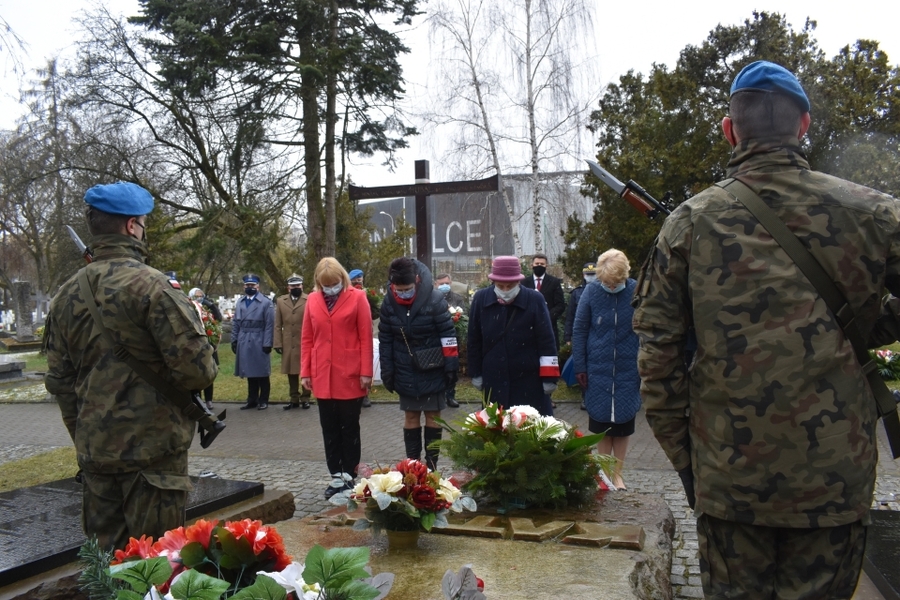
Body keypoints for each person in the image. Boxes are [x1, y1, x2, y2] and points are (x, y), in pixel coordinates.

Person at [632, 60, 900, 598]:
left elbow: (657, 362)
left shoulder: (689, 222)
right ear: (804, 126)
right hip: (835, 478)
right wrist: (863, 321)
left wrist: (692, 466)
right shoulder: (875, 214)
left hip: (730, 481)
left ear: (730, 130)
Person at [44, 181, 218, 550]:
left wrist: (86, 434)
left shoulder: (65, 295)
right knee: (156, 568)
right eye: (143, 223)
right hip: (153, 457)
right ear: (131, 226)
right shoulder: (154, 288)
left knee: (107, 570)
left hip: (96, 457)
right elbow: (198, 372)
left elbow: (59, 381)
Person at [301, 257, 374, 498]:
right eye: (325, 284)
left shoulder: (358, 297)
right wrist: (305, 372)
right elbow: (307, 338)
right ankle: (335, 476)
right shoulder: (312, 300)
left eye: (334, 283)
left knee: (349, 428)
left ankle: (350, 475)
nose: (330, 287)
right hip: (323, 373)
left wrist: (366, 372)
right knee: (329, 429)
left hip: (350, 373)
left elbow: (366, 336)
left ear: (342, 279)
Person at [379, 257, 459, 470]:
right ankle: (413, 467)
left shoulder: (434, 299)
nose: (403, 293)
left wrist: (451, 365)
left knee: (433, 416)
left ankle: (431, 467)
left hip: (433, 367)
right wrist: (387, 369)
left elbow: (448, 334)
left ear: (416, 281)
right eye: (399, 289)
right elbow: (385, 339)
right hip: (404, 369)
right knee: (411, 415)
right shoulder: (389, 302)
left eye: (407, 289)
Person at [572, 250, 640, 491]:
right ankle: (604, 475)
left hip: (628, 367)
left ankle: (618, 475)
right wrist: (580, 365)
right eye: (607, 282)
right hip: (597, 369)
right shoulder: (591, 292)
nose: (610, 286)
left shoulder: (636, 291)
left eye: (615, 282)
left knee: (622, 425)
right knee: (601, 424)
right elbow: (579, 330)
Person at [467, 255, 559, 415]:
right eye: (500, 286)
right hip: (494, 377)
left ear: (518, 282)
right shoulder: (481, 298)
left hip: (529, 378)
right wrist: (476, 372)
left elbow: (546, 340)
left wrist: (549, 377)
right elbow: (474, 339)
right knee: (497, 429)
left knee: (528, 429)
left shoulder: (534, 299)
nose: (504, 290)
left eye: (509, 286)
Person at [521, 252, 565, 408]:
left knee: (548, 362)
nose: (539, 266)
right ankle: (529, 397)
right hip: (527, 330)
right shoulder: (524, 283)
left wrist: (547, 316)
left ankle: (548, 398)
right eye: (536, 264)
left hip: (548, 329)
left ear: (546, 266)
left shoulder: (554, 282)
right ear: (531, 265)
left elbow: (561, 304)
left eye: (542, 264)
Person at [232, 274, 275, 410]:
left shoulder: (266, 302)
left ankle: (264, 400)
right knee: (249, 371)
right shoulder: (240, 302)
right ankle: (252, 399)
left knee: (261, 372)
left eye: (252, 285)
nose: (250, 287)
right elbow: (236, 322)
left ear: (258, 286)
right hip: (244, 338)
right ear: (244, 286)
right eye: (247, 285)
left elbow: (270, 324)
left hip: (259, 338)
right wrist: (234, 339)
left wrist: (267, 343)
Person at [274, 274, 311, 410]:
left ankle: (306, 397)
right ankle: (294, 398)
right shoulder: (281, 301)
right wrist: (277, 343)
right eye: (293, 286)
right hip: (288, 341)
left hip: (305, 340)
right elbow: (277, 324)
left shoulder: (309, 299)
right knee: (291, 371)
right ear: (288, 287)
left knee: (306, 369)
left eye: (298, 285)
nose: (296, 288)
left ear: (302, 286)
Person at [564, 262, 596, 410]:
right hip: (581, 336)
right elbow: (570, 317)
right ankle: (585, 398)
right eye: (588, 275)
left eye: (593, 274)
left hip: (596, 335)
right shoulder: (576, 293)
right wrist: (568, 337)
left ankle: (596, 398)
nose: (591, 277)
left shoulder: (602, 290)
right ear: (583, 275)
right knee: (582, 367)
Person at [434, 273, 465, 408]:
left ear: (450, 283)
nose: (444, 286)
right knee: (436, 367)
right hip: (435, 339)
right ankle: (437, 395)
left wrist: (456, 318)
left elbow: (464, 315)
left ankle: (450, 395)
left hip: (452, 338)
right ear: (436, 284)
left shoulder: (457, 299)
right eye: (441, 284)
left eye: (446, 283)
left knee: (451, 369)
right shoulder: (431, 298)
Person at [189, 287, 222, 409]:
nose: (199, 298)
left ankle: (209, 400)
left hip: (209, 345)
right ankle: (198, 399)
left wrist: (211, 306)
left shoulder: (207, 308)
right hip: (195, 346)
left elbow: (218, 318)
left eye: (200, 295)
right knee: (196, 374)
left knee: (209, 373)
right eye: (196, 296)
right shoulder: (189, 307)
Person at [349, 268, 378, 407]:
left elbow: (377, 312)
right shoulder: (346, 293)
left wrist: (369, 308)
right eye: (355, 279)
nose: (358, 280)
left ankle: (366, 393)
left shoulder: (368, 293)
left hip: (365, 332)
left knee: (366, 362)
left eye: (360, 278)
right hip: (351, 334)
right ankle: (354, 393)